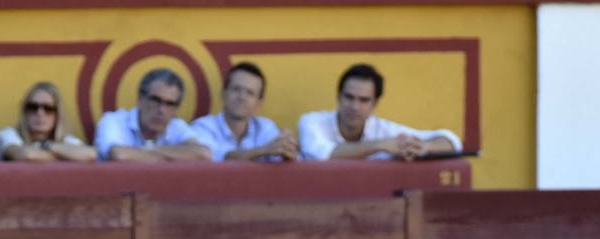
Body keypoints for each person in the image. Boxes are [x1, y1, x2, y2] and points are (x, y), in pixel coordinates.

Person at [297, 63, 460, 162]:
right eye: (349, 97)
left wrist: (423, 147)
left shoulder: (384, 129)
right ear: (338, 97)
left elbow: (451, 140)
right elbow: (320, 153)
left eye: (364, 100)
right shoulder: (311, 122)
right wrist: (380, 145)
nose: (355, 106)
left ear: (375, 104)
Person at [93, 69, 211, 162]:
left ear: (176, 109)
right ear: (140, 99)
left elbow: (203, 154)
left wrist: (147, 151)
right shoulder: (114, 121)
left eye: (170, 104)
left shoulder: (176, 126)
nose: (161, 110)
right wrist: (176, 157)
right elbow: (120, 155)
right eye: (155, 100)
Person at [190, 62, 298, 162]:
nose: (242, 97)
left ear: (258, 104)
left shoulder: (265, 127)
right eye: (236, 89)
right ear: (224, 94)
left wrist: (287, 150)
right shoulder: (203, 127)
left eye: (250, 93)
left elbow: (282, 158)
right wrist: (264, 150)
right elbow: (221, 158)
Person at [0, 82, 95, 162]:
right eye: (33, 107)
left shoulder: (66, 140)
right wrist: (67, 156)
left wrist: (47, 145)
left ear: (58, 114)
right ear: (25, 112)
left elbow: (90, 154)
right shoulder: (7, 134)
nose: (40, 113)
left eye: (48, 108)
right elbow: (27, 156)